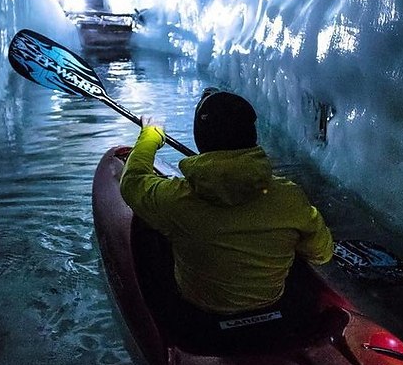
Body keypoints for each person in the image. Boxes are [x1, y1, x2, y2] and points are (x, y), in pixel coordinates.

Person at [119, 87, 333, 332]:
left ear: (201, 138)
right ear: (252, 137)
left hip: (201, 314)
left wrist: (150, 136)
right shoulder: (289, 197)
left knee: (154, 234)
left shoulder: (175, 200)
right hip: (273, 307)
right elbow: (322, 254)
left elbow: (132, 182)